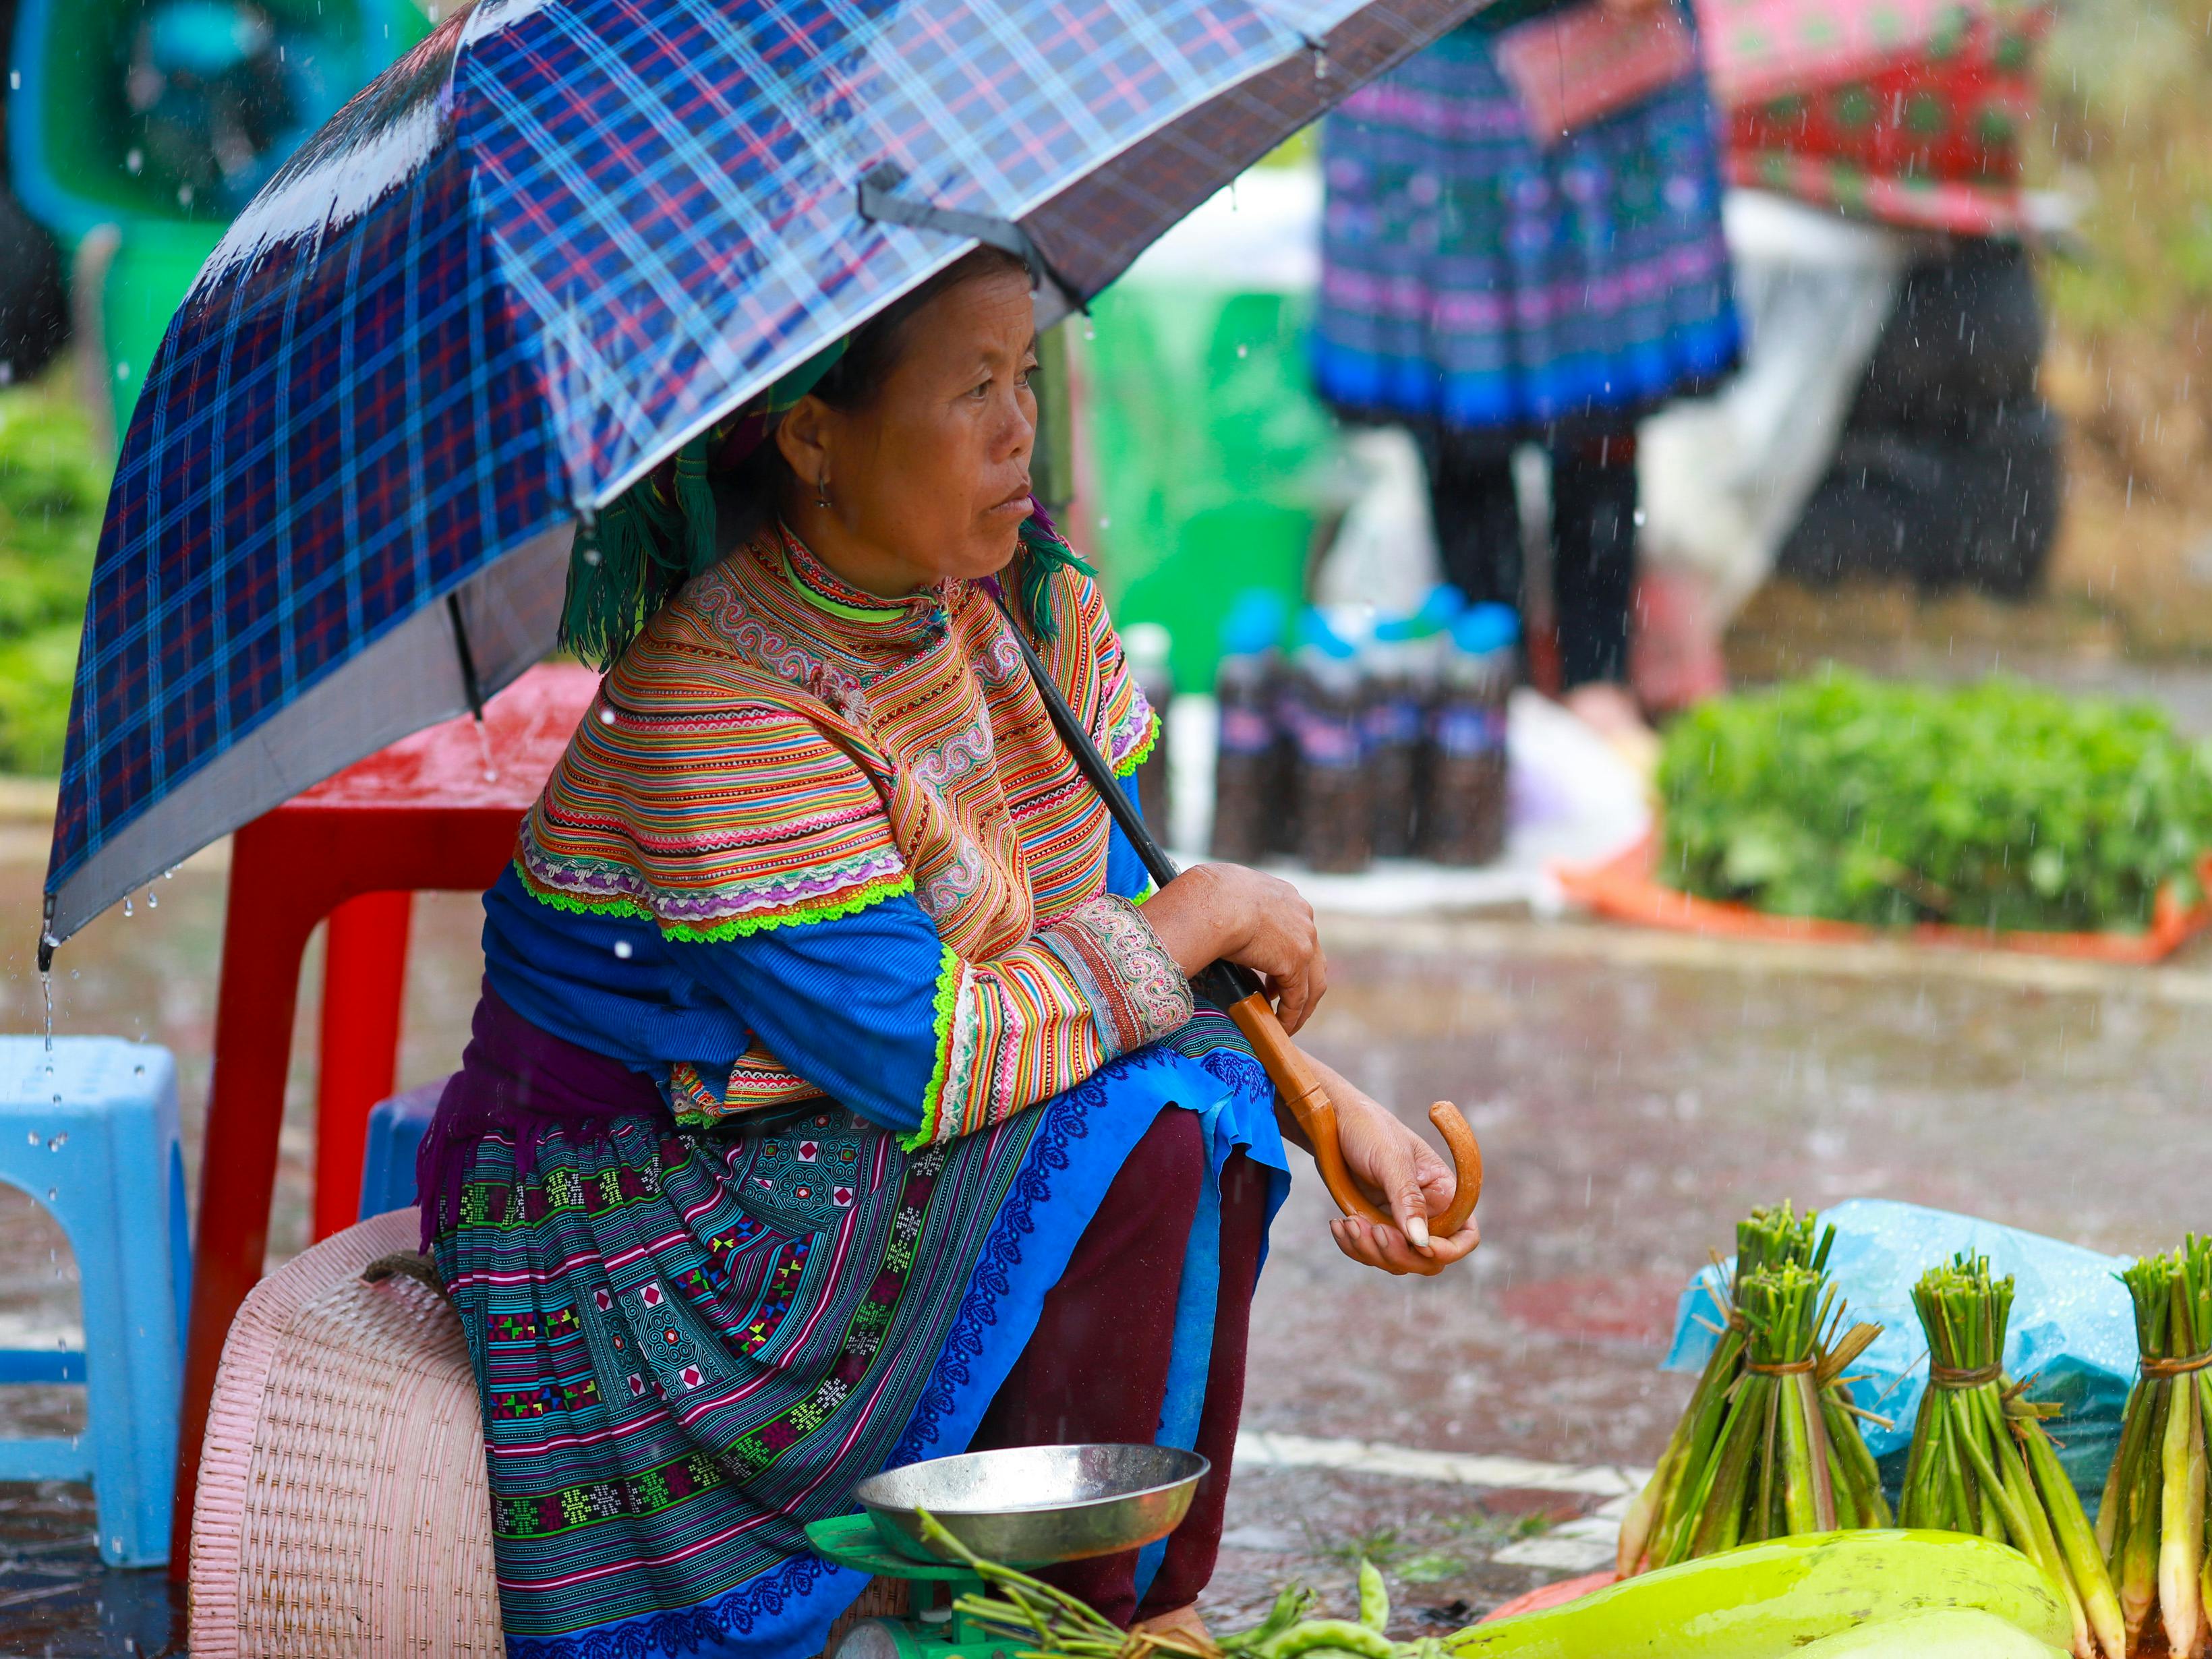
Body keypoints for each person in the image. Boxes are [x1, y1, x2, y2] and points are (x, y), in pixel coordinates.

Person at [417, 245, 1479, 1658]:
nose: (1018, 428)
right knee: (1140, 1120)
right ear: (812, 437)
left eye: (1024, 373)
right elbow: (927, 1057)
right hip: (645, 1191)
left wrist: (1332, 1112)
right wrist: (1212, 907)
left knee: (1207, 1096)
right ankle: (1067, 1615)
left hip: (832, 1116)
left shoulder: (1012, 613)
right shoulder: (716, 704)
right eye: (971, 387)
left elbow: (1123, 963)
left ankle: (1145, 1594)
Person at [1311, 0, 1739, 747]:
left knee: (1600, 393)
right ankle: (1493, 691)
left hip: (1594, 57)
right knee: (1454, 393)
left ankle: (1595, 682)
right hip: (1423, 56)